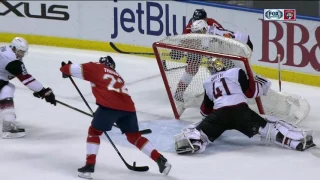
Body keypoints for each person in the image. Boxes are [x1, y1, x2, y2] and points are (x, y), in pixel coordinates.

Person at [60, 56, 172, 179]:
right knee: (134, 137)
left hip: (108, 108)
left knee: (94, 132)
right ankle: (161, 161)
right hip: (129, 109)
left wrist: (67, 70)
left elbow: (66, 68)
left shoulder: (95, 67)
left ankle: (89, 166)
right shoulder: (118, 76)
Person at [174, 58, 315, 154]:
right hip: (240, 112)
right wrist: (261, 83)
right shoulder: (235, 72)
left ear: (210, 71)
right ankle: (295, 141)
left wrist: (208, 123)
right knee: (268, 128)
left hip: (219, 116)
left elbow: (205, 111)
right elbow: (250, 93)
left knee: (198, 130)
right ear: (223, 65)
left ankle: (193, 142)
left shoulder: (207, 82)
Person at [172, 18, 253, 114]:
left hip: (242, 45)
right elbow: (212, 57)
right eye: (194, 32)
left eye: (197, 32)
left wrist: (218, 68)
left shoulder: (210, 39)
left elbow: (216, 56)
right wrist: (179, 50)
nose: (194, 34)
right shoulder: (205, 34)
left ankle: (244, 94)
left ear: (203, 30)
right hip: (230, 48)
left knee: (239, 73)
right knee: (219, 73)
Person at [0, 37, 56, 139]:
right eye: (20, 51)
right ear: (14, 48)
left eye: (23, 52)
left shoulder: (6, 50)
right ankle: (8, 126)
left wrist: (39, 91)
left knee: (7, 88)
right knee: (7, 89)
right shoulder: (11, 60)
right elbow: (26, 79)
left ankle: (8, 122)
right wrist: (43, 91)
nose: (22, 55)